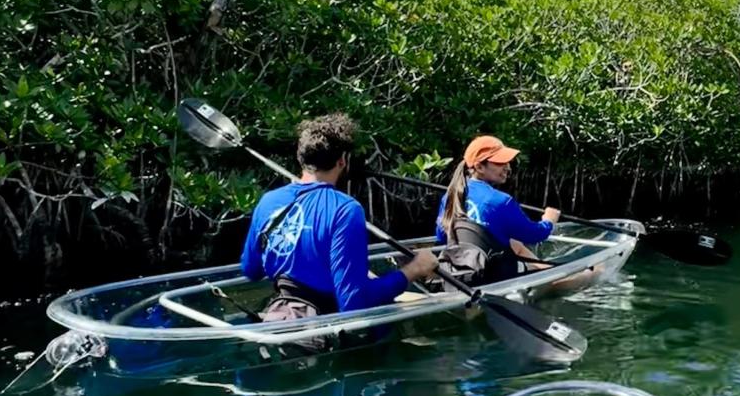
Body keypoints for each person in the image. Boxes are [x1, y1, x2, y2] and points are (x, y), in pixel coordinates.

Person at [240, 113, 437, 320]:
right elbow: (354, 303)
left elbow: (251, 270)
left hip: (282, 317)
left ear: (301, 158)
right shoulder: (346, 210)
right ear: (342, 161)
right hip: (330, 330)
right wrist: (413, 270)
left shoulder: (268, 201)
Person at [434, 135, 561, 283]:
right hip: (495, 275)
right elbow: (535, 235)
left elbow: (441, 237)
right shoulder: (501, 201)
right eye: (500, 162)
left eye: (507, 162)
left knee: (515, 243)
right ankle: (564, 277)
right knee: (590, 274)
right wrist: (549, 221)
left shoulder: (449, 197)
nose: (508, 167)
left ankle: (546, 270)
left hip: (459, 271)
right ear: (479, 167)